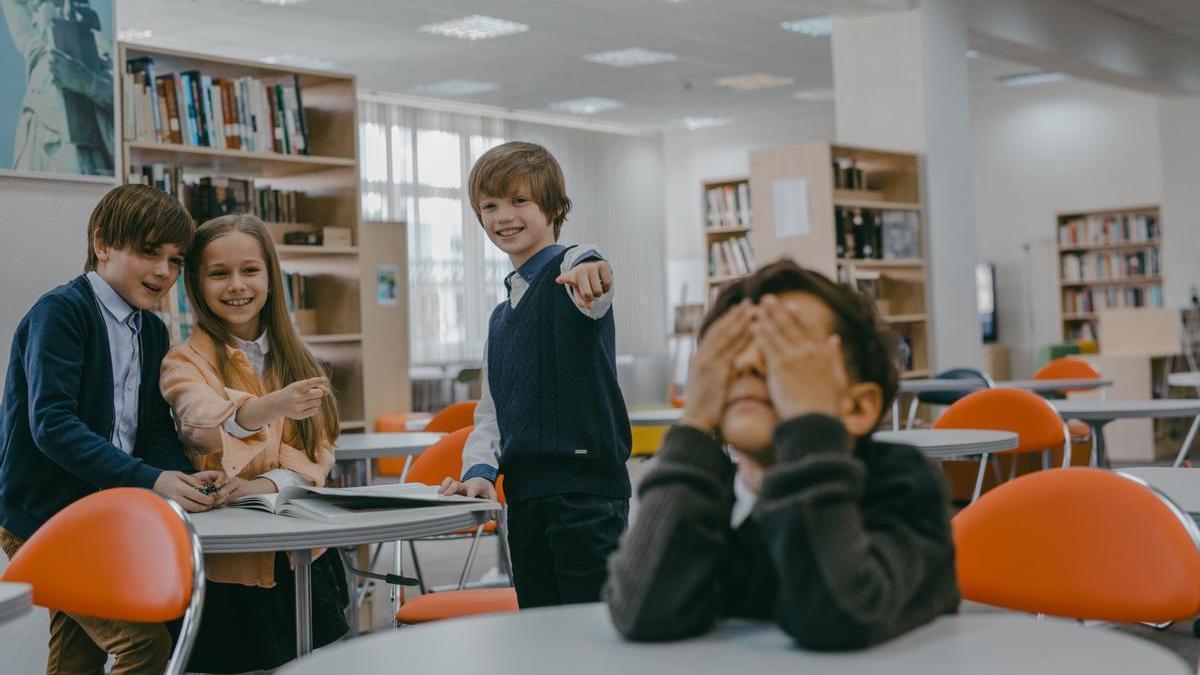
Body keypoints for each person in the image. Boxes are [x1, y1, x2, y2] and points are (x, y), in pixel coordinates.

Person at [605, 259, 960, 650]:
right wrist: (693, 426)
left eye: (787, 351)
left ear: (858, 408)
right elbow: (641, 612)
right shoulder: (704, 495)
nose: (749, 364)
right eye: (733, 350)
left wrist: (807, 426)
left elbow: (839, 615)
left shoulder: (905, 484)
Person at [0, 183, 219, 674]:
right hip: (42, 516)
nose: (163, 272)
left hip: (102, 515)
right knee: (143, 644)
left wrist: (182, 476)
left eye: (176, 260)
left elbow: (153, 432)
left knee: (78, 655)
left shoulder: (152, 330)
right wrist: (151, 479)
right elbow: (52, 426)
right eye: (148, 252)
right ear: (102, 245)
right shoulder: (61, 312)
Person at [439, 141, 632, 608]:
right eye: (490, 206)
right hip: (524, 500)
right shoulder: (499, 318)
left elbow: (588, 268)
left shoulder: (573, 280)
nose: (503, 216)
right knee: (541, 636)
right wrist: (480, 472)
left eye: (519, 201)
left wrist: (591, 263)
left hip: (585, 499)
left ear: (553, 206)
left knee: (592, 638)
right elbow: (492, 412)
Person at [160, 214, 347, 673]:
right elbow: (198, 419)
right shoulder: (183, 361)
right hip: (228, 566)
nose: (236, 285)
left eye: (250, 270)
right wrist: (267, 408)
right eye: (219, 273)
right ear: (196, 284)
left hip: (301, 556)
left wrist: (258, 485)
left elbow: (316, 456)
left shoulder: (300, 358)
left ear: (271, 276)